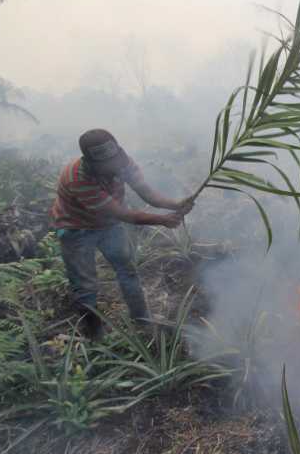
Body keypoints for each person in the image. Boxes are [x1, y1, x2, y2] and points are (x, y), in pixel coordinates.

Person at [49, 129, 194, 337]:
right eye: (106, 166)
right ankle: (95, 336)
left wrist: (175, 204)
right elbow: (122, 214)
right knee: (85, 284)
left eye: (115, 161)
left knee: (127, 269)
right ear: (90, 163)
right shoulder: (77, 179)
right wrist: (162, 220)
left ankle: (141, 318)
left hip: (109, 224)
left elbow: (147, 193)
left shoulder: (123, 163)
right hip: (76, 229)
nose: (114, 168)